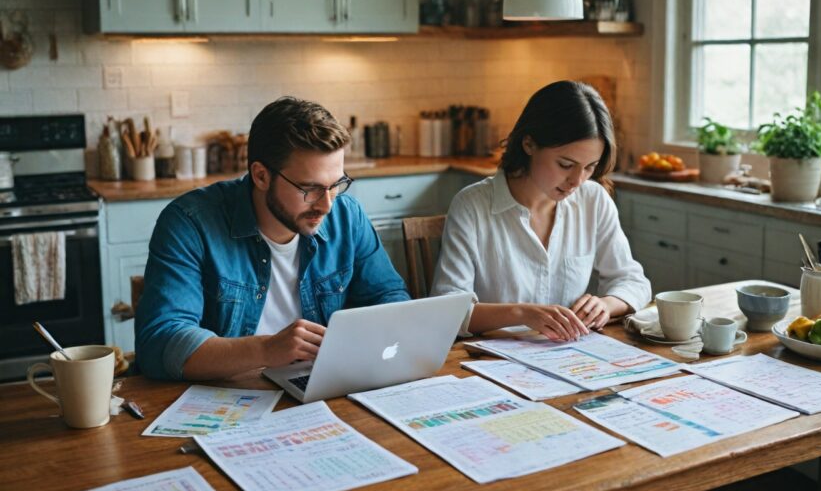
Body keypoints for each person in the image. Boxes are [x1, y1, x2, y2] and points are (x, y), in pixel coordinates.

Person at [135, 97, 409, 380]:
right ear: (261, 176)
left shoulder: (346, 215)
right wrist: (266, 350)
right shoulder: (189, 223)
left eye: (336, 185)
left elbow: (389, 297)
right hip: (227, 399)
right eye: (309, 188)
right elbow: (160, 342)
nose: (327, 205)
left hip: (319, 389)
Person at [433, 80, 651, 339]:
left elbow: (633, 281)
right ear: (529, 144)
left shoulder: (593, 200)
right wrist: (522, 314)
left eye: (590, 167)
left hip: (569, 357)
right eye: (565, 164)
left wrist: (606, 304)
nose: (577, 181)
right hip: (490, 360)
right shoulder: (472, 206)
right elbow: (448, 310)